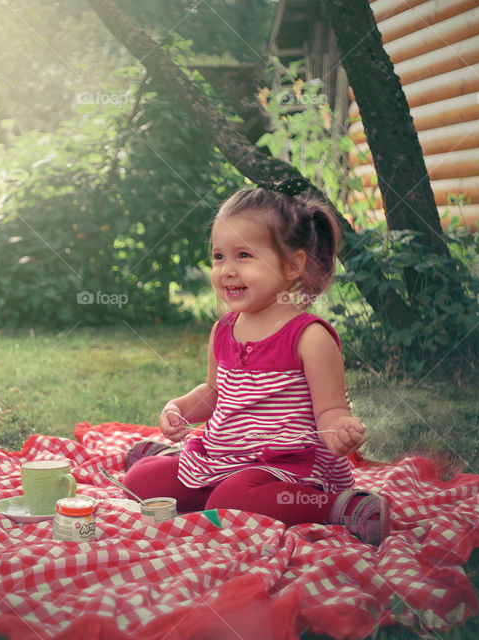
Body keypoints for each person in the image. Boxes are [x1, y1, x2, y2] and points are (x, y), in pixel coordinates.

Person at [123, 177, 390, 545]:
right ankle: (178, 463)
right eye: (219, 257)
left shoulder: (308, 337)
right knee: (139, 483)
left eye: (244, 256)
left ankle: (341, 507)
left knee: (233, 499)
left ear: (292, 265)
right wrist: (180, 408)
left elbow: (330, 409)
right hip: (227, 455)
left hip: (287, 468)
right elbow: (215, 393)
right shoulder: (224, 330)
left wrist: (340, 427)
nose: (227, 270)